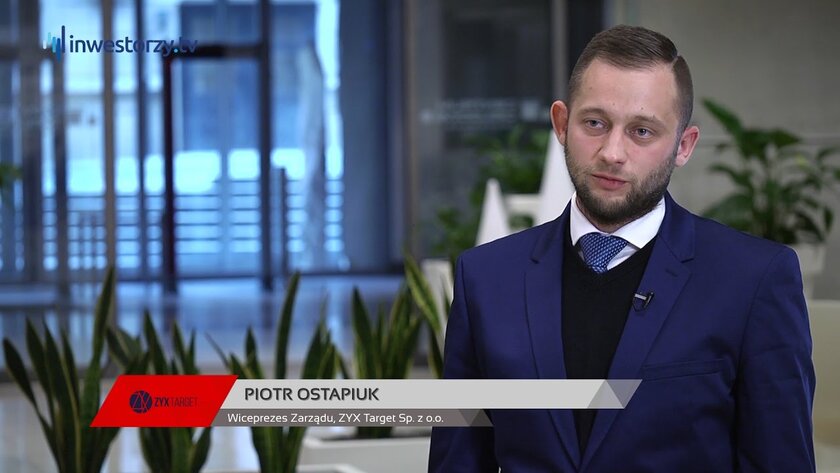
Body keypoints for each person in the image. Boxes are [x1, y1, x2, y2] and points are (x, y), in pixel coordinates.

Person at [428, 25, 815, 472]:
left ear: (683, 145)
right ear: (561, 124)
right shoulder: (485, 278)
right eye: (595, 123)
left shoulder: (753, 280)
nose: (612, 152)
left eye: (642, 131)